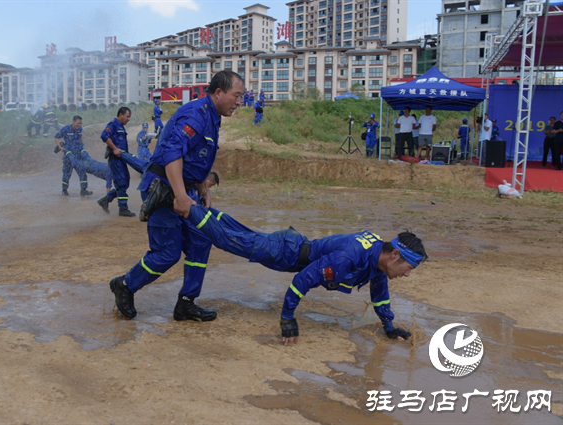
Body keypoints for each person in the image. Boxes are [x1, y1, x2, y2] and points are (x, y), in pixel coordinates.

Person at [108, 70, 244, 322]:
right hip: (164, 189)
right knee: (167, 252)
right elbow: (173, 152)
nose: (239, 102)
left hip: (185, 190)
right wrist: (181, 196)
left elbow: (197, 159)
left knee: (201, 242)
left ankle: (186, 303)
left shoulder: (213, 117)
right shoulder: (196, 114)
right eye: (236, 96)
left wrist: (202, 191)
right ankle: (125, 285)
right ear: (218, 92)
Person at [187, 204, 427, 344]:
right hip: (285, 252)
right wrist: (288, 318)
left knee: (241, 233)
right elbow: (302, 280)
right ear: (395, 255)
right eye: (410, 268)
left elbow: (380, 292)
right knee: (228, 240)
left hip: (293, 246)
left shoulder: (377, 257)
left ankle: (199, 205)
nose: (407, 275)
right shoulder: (350, 258)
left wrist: (388, 325)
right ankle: (184, 205)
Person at [97, 107, 135, 217]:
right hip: (116, 160)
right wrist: (114, 148)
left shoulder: (121, 127)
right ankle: (123, 208)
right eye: (127, 116)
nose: (128, 119)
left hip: (121, 160)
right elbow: (104, 135)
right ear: (121, 115)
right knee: (122, 182)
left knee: (125, 181)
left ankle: (106, 199)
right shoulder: (114, 124)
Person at [54, 116, 92, 197]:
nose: (79, 125)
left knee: (82, 171)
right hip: (68, 155)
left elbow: (80, 138)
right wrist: (60, 147)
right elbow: (56, 137)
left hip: (78, 154)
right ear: (73, 122)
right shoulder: (66, 129)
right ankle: (64, 190)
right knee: (67, 173)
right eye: (78, 123)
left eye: (80, 123)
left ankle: (83, 190)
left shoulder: (80, 129)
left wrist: (82, 146)